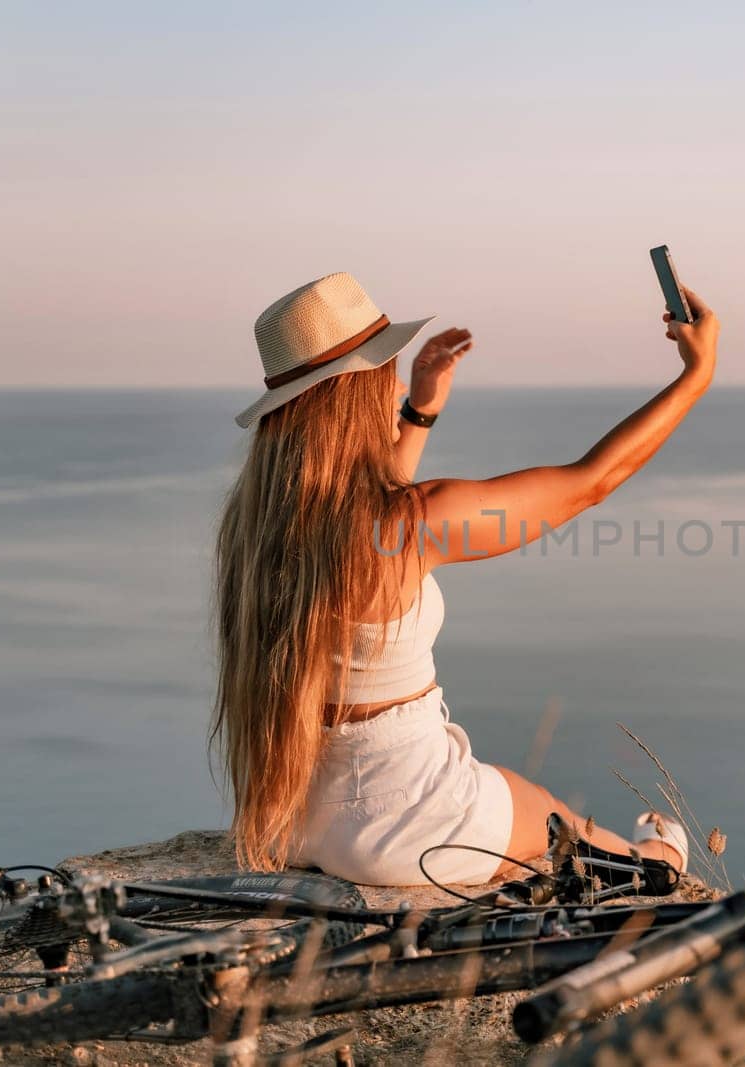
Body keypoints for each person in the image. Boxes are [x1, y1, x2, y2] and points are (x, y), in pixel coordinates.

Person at [211, 271, 718, 884]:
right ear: (352, 396)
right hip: (407, 820)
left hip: (293, 820)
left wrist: (419, 413)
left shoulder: (259, 523)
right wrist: (695, 378)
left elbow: (362, 517)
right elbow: (590, 482)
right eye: (383, 373)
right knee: (553, 817)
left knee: (526, 805)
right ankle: (658, 862)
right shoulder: (412, 523)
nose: (394, 382)